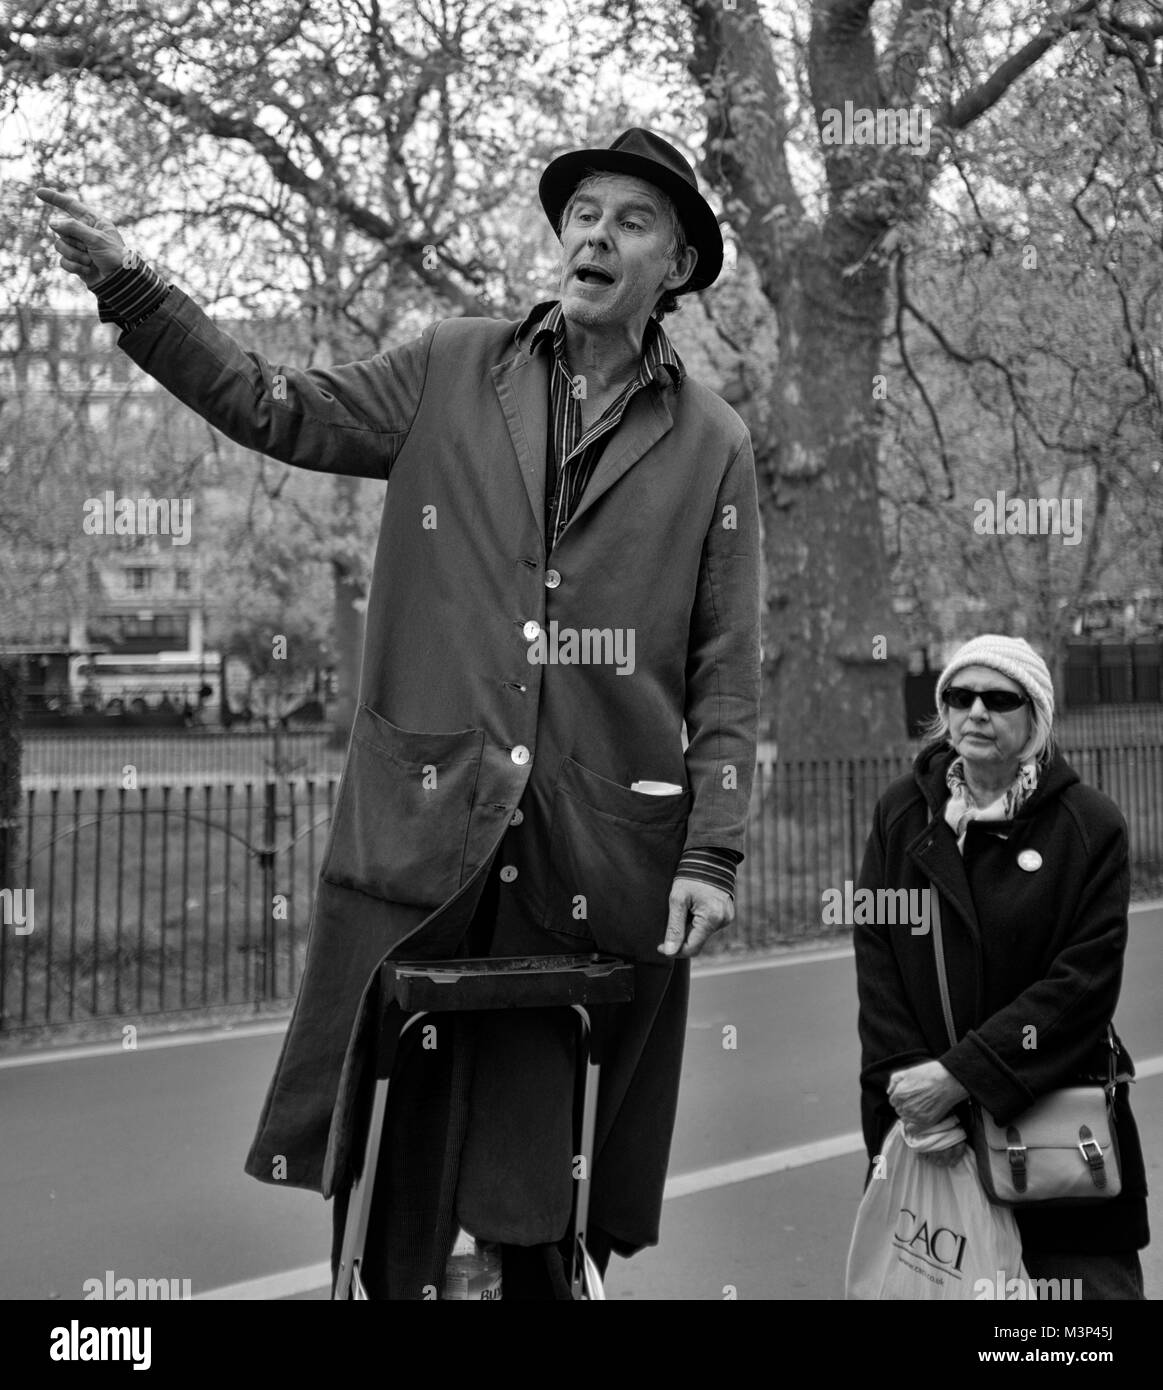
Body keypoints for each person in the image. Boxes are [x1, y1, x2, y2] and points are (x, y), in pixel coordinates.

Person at [38, 127, 761, 1298]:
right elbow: (275, 405)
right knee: (392, 1178)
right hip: (424, 829)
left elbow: (728, 666)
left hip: (592, 861)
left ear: (673, 268)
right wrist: (133, 287)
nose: (594, 233)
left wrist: (712, 850)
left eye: (632, 221)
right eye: (583, 210)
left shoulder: (712, 444)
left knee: (538, 1195)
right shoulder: (453, 367)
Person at [854, 634, 1149, 1299]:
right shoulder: (900, 815)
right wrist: (906, 1095)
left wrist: (960, 1077)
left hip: (1054, 1140)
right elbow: (877, 966)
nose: (975, 713)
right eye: (959, 697)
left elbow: (1081, 986)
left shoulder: (1088, 825)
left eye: (998, 698)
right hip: (931, 1137)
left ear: (1033, 717)